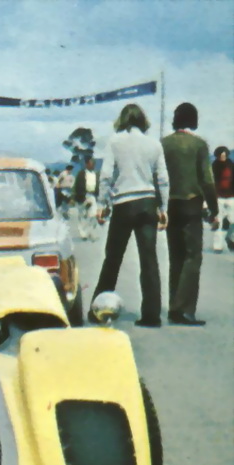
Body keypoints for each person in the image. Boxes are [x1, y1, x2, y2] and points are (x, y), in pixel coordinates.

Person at [89, 103, 170, 328]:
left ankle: (98, 308)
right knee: (149, 259)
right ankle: (151, 315)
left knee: (113, 258)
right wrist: (163, 208)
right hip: (147, 203)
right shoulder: (154, 144)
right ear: (143, 121)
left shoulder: (115, 142)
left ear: (122, 120)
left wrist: (102, 203)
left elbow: (106, 175)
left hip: (124, 203)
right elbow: (162, 178)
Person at [161, 103, 219, 325]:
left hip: (170, 205)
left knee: (175, 257)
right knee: (192, 257)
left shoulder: (163, 144)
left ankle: (174, 306)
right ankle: (184, 310)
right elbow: (206, 179)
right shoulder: (199, 145)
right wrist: (213, 209)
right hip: (192, 205)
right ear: (193, 120)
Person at [211, 146, 234, 252]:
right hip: (218, 197)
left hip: (231, 197)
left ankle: (230, 238)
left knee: (233, 221)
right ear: (217, 156)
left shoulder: (231, 165)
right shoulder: (213, 167)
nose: (222, 157)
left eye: (224, 155)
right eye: (220, 155)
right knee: (218, 222)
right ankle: (217, 246)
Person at [73, 156, 100, 240]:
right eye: (91, 163)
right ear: (87, 164)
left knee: (93, 215)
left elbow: (97, 186)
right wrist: (82, 198)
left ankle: (90, 232)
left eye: (94, 163)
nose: (93, 165)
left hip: (92, 196)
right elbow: (78, 186)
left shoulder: (95, 174)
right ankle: (83, 234)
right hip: (83, 196)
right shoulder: (81, 174)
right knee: (82, 216)